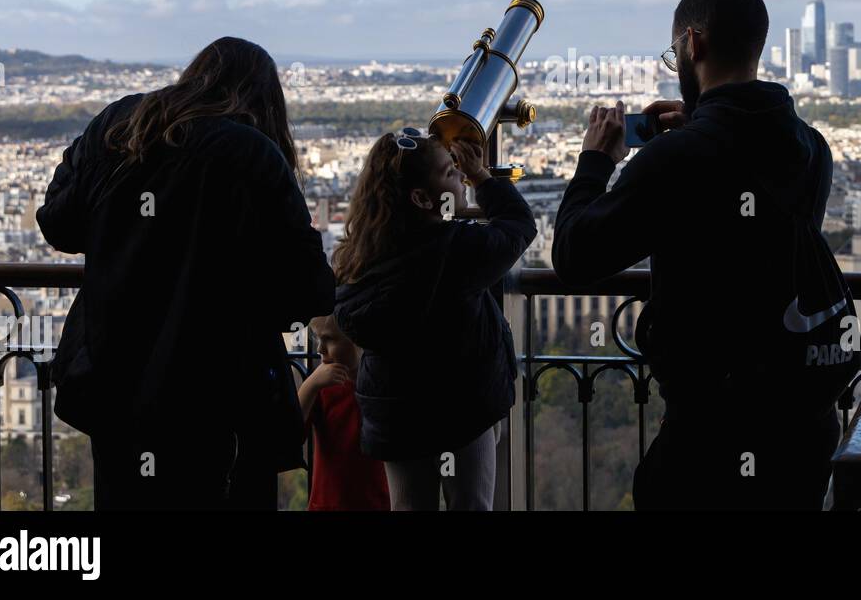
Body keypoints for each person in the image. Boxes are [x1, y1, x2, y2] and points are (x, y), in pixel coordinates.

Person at [551, 0, 861, 510]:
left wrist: (595, 162)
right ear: (757, 47)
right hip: (805, 428)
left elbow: (574, 257)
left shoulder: (677, 161)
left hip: (713, 437)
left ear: (692, 43)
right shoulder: (813, 147)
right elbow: (754, 214)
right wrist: (700, 123)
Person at [37, 37, 336, 510]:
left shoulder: (119, 125)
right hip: (220, 395)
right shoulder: (255, 156)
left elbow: (58, 223)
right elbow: (310, 291)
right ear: (265, 100)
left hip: (115, 383)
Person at [332, 129, 535, 510]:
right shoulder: (455, 252)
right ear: (422, 198)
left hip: (397, 414)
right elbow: (519, 226)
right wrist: (483, 178)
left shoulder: (358, 261)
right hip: (461, 408)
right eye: (449, 172)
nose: (458, 176)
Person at [298, 314, 391, 510]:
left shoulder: (380, 387)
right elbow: (291, 431)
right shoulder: (322, 386)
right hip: (328, 505)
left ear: (356, 339)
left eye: (329, 338)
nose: (319, 348)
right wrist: (310, 385)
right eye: (317, 338)